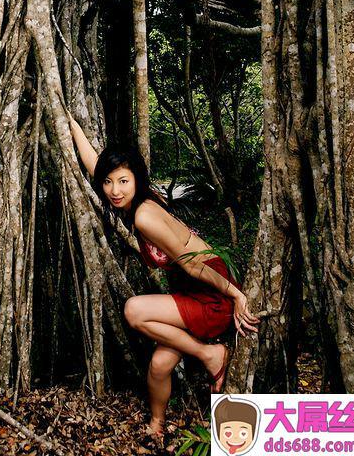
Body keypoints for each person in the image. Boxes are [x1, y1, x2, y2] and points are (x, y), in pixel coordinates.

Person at [68, 113, 260, 439]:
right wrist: (69, 121)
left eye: (123, 181)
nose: (114, 191)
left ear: (136, 181)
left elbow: (192, 265)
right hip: (190, 294)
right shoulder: (138, 198)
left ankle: (210, 354)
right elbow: (95, 164)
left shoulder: (144, 215)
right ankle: (156, 426)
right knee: (159, 366)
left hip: (210, 292)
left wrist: (236, 295)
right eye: (108, 182)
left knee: (134, 310)